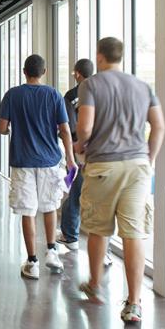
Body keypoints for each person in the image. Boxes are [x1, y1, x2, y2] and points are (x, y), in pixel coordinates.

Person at [75, 37, 165, 324]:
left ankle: (94, 285)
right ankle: (134, 303)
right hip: (137, 167)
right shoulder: (142, 86)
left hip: (104, 165)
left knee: (98, 229)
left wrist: (79, 145)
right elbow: (159, 126)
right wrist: (149, 158)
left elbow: (85, 127)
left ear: (100, 56)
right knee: (132, 232)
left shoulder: (91, 85)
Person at [0, 54, 75, 281]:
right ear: (44, 72)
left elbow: (1, 128)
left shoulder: (12, 94)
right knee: (49, 207)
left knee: (27, 211)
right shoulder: (54, 95)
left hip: (23, 161)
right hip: (50, 161)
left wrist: (11, 130)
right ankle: (51, 251)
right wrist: (70, 159)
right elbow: (65, 130)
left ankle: (32, 263)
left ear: (24, 72)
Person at [56, 59, 95, 252]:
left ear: (77, 73)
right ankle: (104, 249)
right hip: (102, 153)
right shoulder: (101, 92)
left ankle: (70, 235)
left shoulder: (72, 96)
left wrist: (71, 153)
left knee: (75, 193)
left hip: (79, 153)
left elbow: (69, 128)